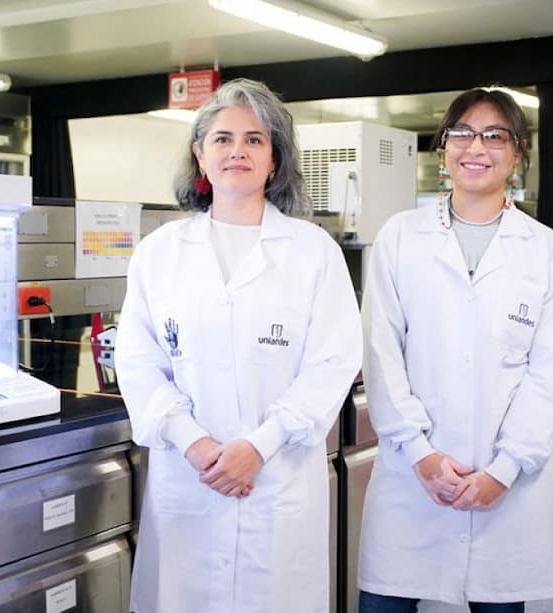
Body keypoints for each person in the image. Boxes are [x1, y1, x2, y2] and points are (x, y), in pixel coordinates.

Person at [115, 78, 362, 613]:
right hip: (189, 477)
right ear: (199, 154)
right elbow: (137, 362)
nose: (237, 152)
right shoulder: (160, 253)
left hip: (276, 479)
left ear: (275, 159)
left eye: (255, 140)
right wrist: (196, 444)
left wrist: (259, 446)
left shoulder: (313, 252)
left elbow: (333, 362)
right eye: (223, 138)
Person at [357, 88, 553, 612]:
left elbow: (550, 376)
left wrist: (504, 470)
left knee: (497, 603)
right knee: (386, 601)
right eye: (461, 133)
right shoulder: (399, 238)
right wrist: (421, 454)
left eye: (495, 135)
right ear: (443, 148)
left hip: (509, 488)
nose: (475, 147)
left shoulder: (548, 252)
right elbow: (382, 353)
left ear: (518, 153)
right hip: (412, 480)